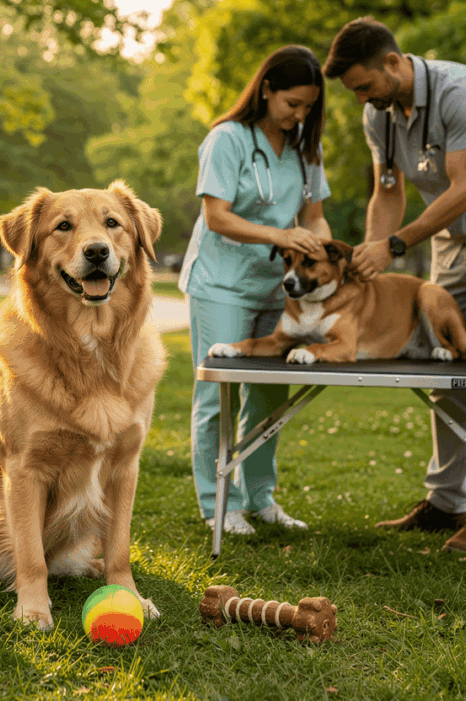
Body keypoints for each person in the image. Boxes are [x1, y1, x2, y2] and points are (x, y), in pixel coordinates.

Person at [323, 17, 466, 553]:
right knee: (444, 367)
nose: (360, 98)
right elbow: (387, 190)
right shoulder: (378, 116)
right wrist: (372, 260)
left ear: (393, 63)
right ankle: (445, 500)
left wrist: (396, 246)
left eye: (364, 85)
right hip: (449, 239)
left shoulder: (461, 91)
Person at [177, 45, 332, 535]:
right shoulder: (228, 139)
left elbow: (314, 216)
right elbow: (216, 216)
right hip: (221, 283)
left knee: (269, 396)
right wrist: (280, 235)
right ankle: (219, 503)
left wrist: (321, 253)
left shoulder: (307, 149)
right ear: (266, 90)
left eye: (308, 106)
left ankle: (261, 498)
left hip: (279, 288)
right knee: (217, 396)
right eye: (292, 103)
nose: (300, 115)